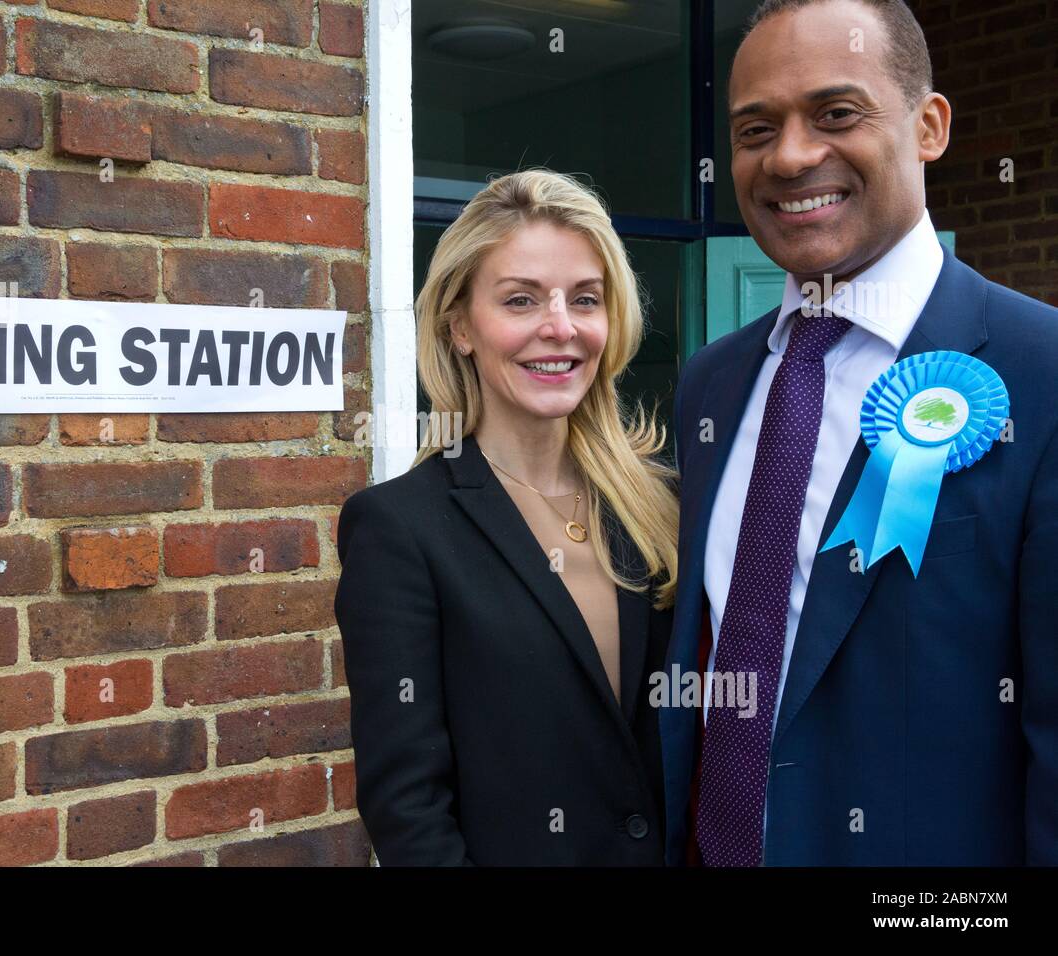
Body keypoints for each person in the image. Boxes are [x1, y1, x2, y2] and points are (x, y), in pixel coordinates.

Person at [663, 0, 1058, 866]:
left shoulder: (1044, 371)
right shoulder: (711, 383)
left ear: (929, 126)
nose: (792, 156)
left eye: (836, 114)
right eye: (756, 128)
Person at [334, 169, 679, 865]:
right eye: (520, 301)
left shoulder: (662, 502)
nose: (560, 327)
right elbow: (410, 810)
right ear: (460, 326)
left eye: (585, 299)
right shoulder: (399, 528)